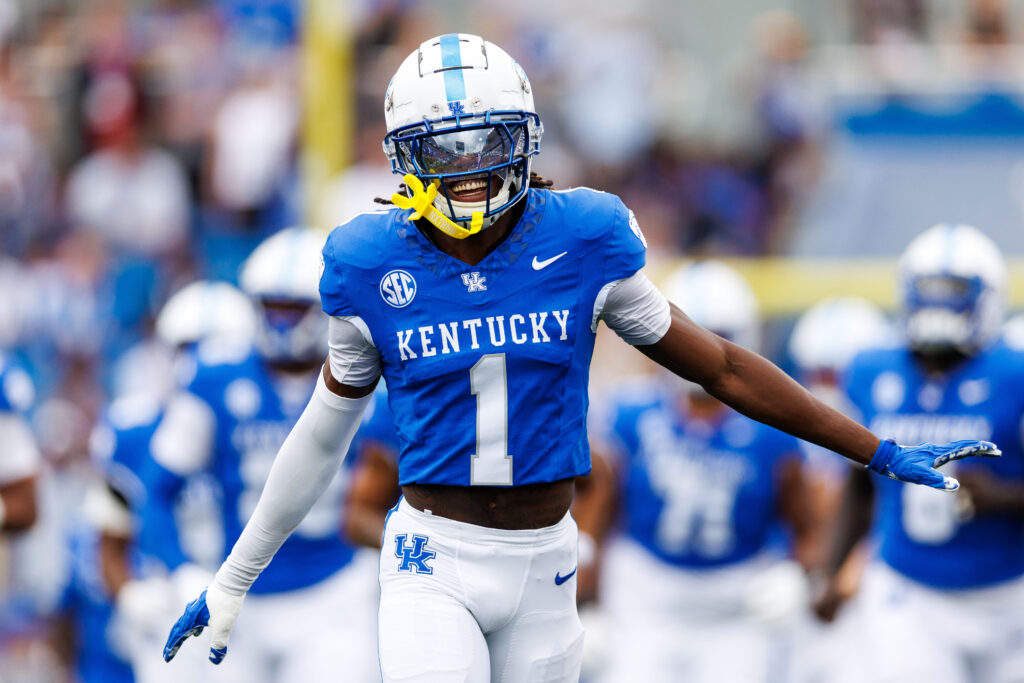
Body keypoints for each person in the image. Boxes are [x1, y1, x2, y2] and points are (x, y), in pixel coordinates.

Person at [164, 34, 998, 682]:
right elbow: (321, 432)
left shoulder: (584, 237)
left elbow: (722, 367)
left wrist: (878, 450)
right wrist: (234, 577)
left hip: (546, 557)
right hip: (431, 554)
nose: (465, 172)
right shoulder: (367, 260)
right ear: (402, 154)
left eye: (483, 142)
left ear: (523, 137)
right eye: (442, 150)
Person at [153, 227, 380, 683]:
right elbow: (157, 490)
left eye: (292, 310)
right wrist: (180, 570)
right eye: (269, 307)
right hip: (242, 596)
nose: (279, 322)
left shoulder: (375, 375)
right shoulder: (214, 377)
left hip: (335, 591)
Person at [586, 261, 817, 683]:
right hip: (645, 598)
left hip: (736, 604)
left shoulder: (770, 429)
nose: (698, 353)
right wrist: (586, 603)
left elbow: (810, 524)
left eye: (716, 338)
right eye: (688, 337)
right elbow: (595, 517)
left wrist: (798, 574)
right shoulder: (628, 413)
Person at [815, 223, 1024, 683]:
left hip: (1010, 594)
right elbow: (858, 483)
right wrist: (828, 571)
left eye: (953, 294)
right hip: (910, 589)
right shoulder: (872, 371)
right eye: (929, 293)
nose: (938, 308)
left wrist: (1004, 496)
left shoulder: (1014, 373)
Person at [86, 280, 256, 683]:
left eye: (216, 347)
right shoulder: (130, 430)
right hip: (171, 599)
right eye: (187, 348)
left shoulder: (262, 421)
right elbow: (111, 539)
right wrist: (129, 593)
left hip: (256, 598)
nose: (199, 364)